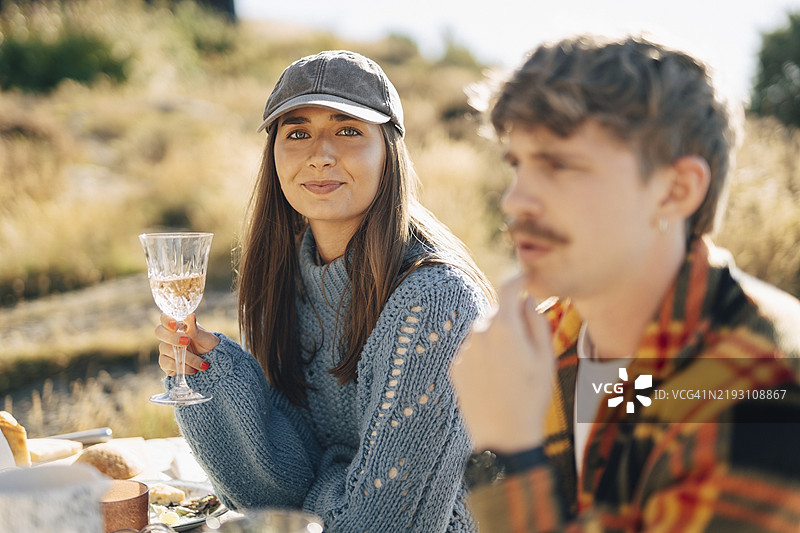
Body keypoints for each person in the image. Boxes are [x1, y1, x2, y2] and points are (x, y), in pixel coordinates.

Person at [451, 35, 800, 532]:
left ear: (676, 190)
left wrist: (507, 455)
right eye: (518, 164)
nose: (515, 200)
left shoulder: (764, 387)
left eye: (559, 166)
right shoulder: (536, 347)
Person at [153, 50, 494, 532]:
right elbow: (286, 493)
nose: (320, 153)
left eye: (348, 130)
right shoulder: (288, 274)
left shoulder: (433, 301)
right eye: (297, 133)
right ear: (274, 156)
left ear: (388, 152)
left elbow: (383, 522)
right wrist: (218, 379)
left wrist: (326, 483)